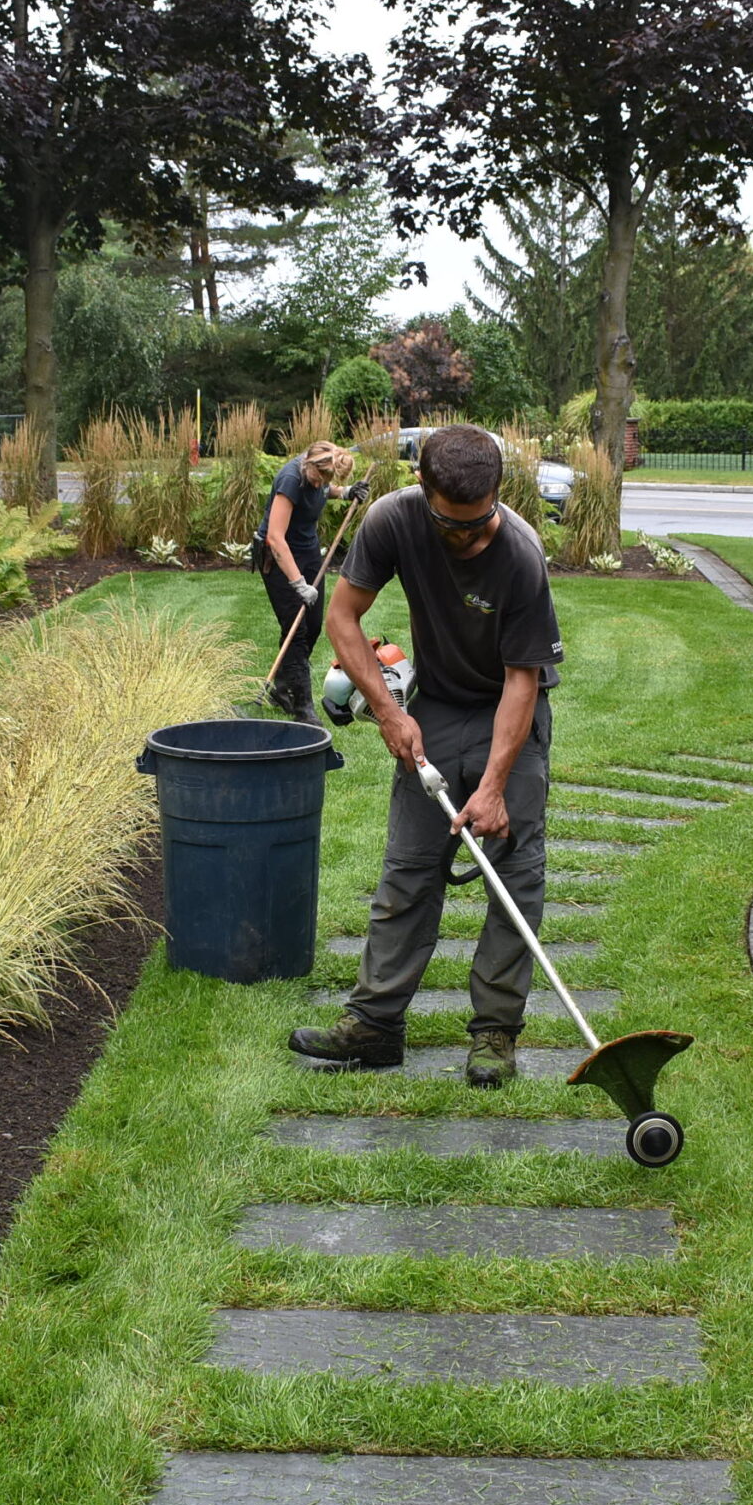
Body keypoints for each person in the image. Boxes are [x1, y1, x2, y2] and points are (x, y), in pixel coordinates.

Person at [289, 425, 563, 1088]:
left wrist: (493, 786)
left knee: (513, 876)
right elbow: (342, 617)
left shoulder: (521, 553)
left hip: (508, 710)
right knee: (409, 867)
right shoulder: (392, 519)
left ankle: (495, 1033)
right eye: (451, 525)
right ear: (422, 487)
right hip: (433, 705)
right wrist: (388, 710)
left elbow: (522, 682)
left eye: (479, 522)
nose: (468, 538)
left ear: (498, 493)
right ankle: (375, 1025)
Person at [258, 439, 361, 723]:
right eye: (319, 478)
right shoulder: (291, 479)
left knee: (313, 625)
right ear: (309, 464)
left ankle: (282, 688)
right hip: (278, 558)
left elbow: (325, 489)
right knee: (297, 631)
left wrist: (346, 492)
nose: (320, 484)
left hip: (308, 553)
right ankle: (303, 707)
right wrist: (298, 584)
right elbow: (275, 538)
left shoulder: (319, 475)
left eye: (327, 480)